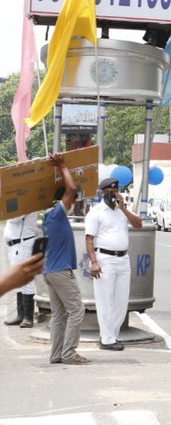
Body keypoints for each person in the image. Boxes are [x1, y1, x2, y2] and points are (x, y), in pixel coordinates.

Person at [85, 174, 143, 351]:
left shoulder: (122, 211)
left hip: (122, 259)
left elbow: (138, 224)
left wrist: (124, 208)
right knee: (105, 300)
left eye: (115, 191)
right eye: (109, 191)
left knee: (120, 301)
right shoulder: (96, 212)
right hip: (105, 259)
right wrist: (94, 262)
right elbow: (89, 240)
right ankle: (107, 339)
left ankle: (113, 335)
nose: (112, 194)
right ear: (102, 193)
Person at [42, 154, 87, 364]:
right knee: (77, 310)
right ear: (63, 201)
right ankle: (69, 353)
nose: (72, 203)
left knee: (59, 316)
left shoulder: (49, 216)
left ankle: (56, 354)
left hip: (50, 272)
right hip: (60, 271)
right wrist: (62, 166)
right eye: (70, 202)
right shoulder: (57, 214)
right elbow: (71, 190)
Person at [4, 210, 39, 327]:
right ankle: (21, 315)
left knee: (26, 280)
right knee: (18, 279)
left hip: (23, 243)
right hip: (15, 245)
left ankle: (28, 318)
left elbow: (14, 218)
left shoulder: (27, 204)